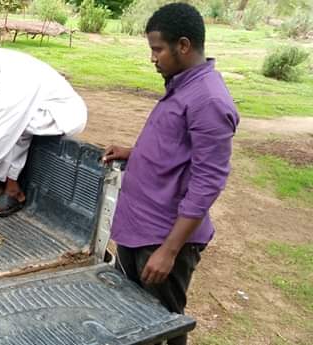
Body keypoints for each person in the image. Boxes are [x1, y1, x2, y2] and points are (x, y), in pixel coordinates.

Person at [102, 3, 239, 345]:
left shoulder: (209, 100)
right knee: (133, 315)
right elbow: (177, 148)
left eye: (157, 49)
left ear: (183, 45)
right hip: (139, 227)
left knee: (163, 324)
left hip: (161, 237)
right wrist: (134, 154)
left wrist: (169, 250)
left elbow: (208, 181)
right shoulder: (183, 84)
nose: (153, 58)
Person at [0, 35, 87, 217]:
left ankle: (13, 190)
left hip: (62, 113)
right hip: (26, 105)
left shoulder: (13, 83)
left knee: (12, 127)